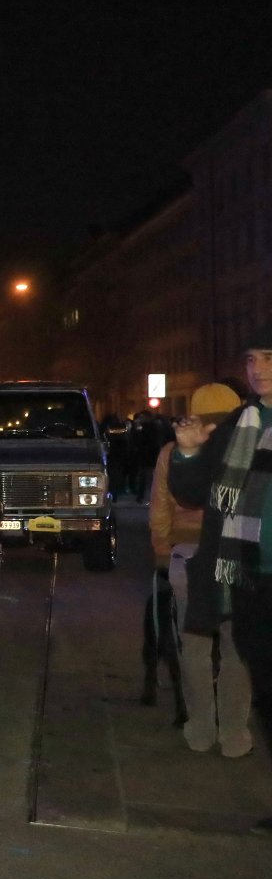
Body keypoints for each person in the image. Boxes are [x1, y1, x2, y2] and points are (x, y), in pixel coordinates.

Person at [172, 326, 272, 835]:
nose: (258, 369)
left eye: (268, 358)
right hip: (246, 575)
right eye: (252, 359)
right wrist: (189, 452)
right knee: (262, 687)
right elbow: (193, 494)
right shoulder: (239, 423)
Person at [150, 383, 252, 755]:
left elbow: (160, 506)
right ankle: (234, 735)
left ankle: (200, 729)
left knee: (194, 644)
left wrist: (162, 551)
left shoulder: (174, 452)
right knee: (236, 645)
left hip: (186, 552)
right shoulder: (244, 448)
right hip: (236, 552)